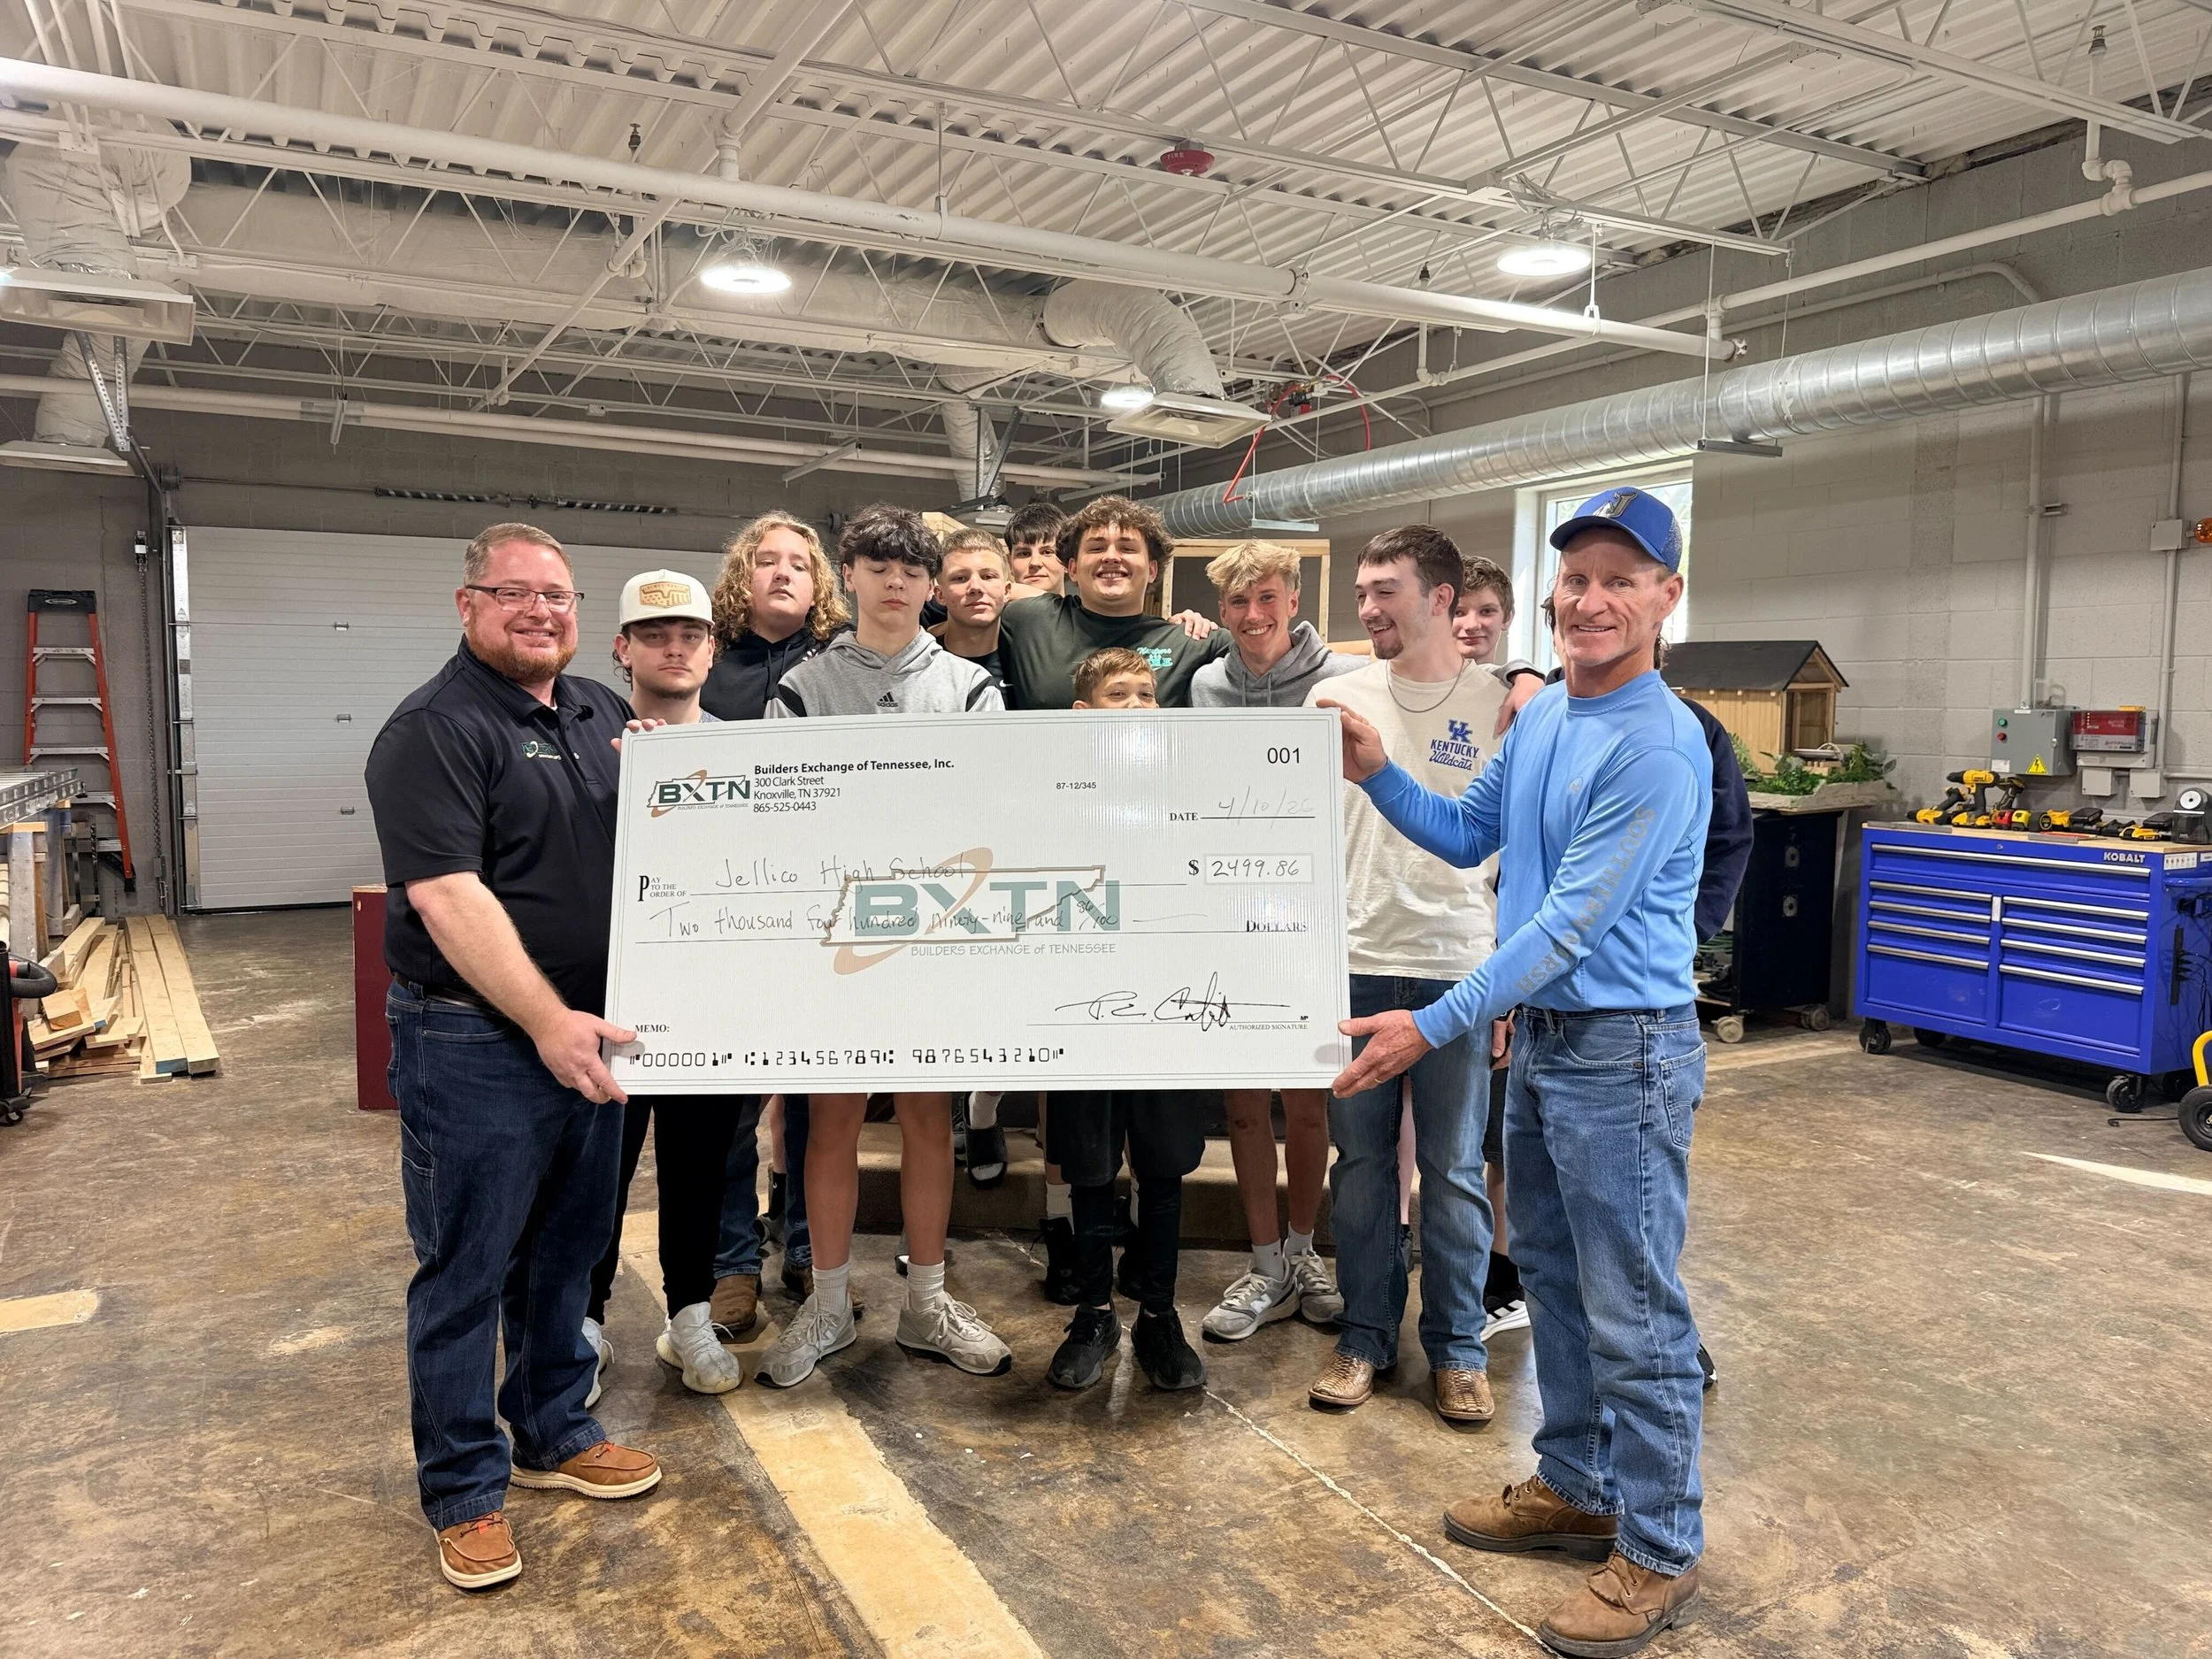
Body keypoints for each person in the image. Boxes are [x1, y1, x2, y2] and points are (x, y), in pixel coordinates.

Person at [1326, 486, 1713, 1659]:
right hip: (1546, 1040)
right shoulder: (1544, 716)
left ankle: (1658, 1541)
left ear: (1665, 598)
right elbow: (1463, 833)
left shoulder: (1657, 739)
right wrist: (1373, 767)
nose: (1590, 599)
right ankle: (1578, 1481)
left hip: (1625, 1051)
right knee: (1548, 1270)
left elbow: (1564, 930)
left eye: (1620, 579)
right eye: (1577, 576)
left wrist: (1432, 1021)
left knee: (1633, 1304)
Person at [365, 523, 660, 1593]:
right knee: (468, 1267)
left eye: (559, 596)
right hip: (478, 1040)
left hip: (596, 1034)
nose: (542, 611)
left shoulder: (597, 711)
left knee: (570, 1255)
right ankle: (463, 1488)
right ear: (467, 603)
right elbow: (450, 897)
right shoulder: (434, 730)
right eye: (515, 593)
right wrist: (545, 1019)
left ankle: (553, 1431)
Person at [758, 505, 1012, 1388]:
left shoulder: (972, 690)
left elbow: (991, 814)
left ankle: (926, 1302)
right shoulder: (801, 687)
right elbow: (783, 818)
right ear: (852, 575)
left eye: (912, 568)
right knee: (828, 1120)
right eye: (878, 565)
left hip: (937, 936)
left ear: (930, 585)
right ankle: (828, 1304)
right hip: (837, 937)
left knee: (925, 1119)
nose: (896, 581)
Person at [1294, 526, 1504, 1427]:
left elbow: (1511, 849)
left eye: (1387, 590)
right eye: (1364, 591)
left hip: (1459, 966)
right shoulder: (1331, 697)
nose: (1369, 608)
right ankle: (1365, 1336)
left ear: (1442, 600)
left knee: (1455, 1173)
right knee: (1364, 1167)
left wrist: (1507, 986)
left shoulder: (1503, 704)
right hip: (1351, 961)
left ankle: (1457, 1348)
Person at [1179, 541, 1356, 1341]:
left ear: (1292, 599)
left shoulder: (1341, 683)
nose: (1254, 616)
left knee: (1307, 1101)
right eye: (1238, 604)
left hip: (1314, 921)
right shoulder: (1207, 684)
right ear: (1222, 612)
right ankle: (1263, 1262)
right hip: (1230, 915)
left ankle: (1301, 1248)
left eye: (1268, 599)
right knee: (1246, 1108)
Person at [580, 571, 749, 1399]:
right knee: (597, 1163)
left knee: (699, 1160)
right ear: (624, 649)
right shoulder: (587, 746)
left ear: (713, 650)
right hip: (608, 996)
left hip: (707, 994)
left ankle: (689, 1312)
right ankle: (582, 1315)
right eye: (653, 635)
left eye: (689, 635)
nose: (673, 647)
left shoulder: (746, 753)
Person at [698, 511, 851, 1318]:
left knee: (812, 1099)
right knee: (733, 1105)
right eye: (767, 561)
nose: (784, 572)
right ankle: (732, 1264)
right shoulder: (707, 659)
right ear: (742, 575)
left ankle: (802, 1246)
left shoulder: (842, 661)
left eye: (800, 562)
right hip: (733, 907)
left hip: (821, 905)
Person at [1043, 647, 1208, 1394]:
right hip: (1080, 1005)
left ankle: (1161, 1316)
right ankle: (1095, 1312)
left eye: (1148, 692)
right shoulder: (1048, 794)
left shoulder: (1189, 790)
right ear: (1083, 715)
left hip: (1167, 1004)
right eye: (1121, 694)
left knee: (1166, 1162)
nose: (1140, 704)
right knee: (1086, 1164)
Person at [994, 495, 1230, 711]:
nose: (1111, 557)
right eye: (1096, 548)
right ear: (1073, 569)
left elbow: (1261, 649)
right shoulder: (1029, 621)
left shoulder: (1191, 642)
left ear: (1151, 569)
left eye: (1127, 548)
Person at [931, 526, 1016, 688]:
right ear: (940, 595)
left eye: (988, 577)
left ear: (1007, 591)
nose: (975, 587)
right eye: (960, 578)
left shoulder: (1029, 665)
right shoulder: (921, 664)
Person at [1005, 501, 1069, 592]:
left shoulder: (1088, 606)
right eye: (1024, 554)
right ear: (1010, 563)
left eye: (1047, 552)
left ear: (1067, 561)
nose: (1035, 563)